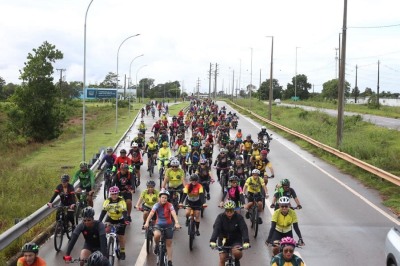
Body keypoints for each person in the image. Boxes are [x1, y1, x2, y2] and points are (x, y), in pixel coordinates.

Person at [143, 189, 181, 266]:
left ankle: (170, 261)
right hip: (158, 224)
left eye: (165, 198)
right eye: (162, 197)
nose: (164, 199)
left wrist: (177, 223)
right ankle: (157, 246)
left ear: (167, 199)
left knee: (169, 244)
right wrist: (147, 222)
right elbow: (151, 214)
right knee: (157, 235)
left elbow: (174, 214)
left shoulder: (170, 205)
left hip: (168, 225)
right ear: (159, 198)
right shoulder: (156, 205)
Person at [209, 200, 250, 266]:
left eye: (231, 210)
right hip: (223, 240)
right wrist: (212, 240)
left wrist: (246, 241)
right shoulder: (220, 217)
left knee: (237, 253)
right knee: (222, 258)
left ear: (234, 210)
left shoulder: (239, 217)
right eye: (227, 210)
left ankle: (236, 261)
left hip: (236, 240)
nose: (229, 212)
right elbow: (216, 228)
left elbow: (244, 229)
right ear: (225, 210)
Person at [98, 186, 129, 260]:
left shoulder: (121, 201)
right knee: (106, 230)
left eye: (115, 194)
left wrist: (126, 220)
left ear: (118, 193)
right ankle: (106, 246)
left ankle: (122, 251)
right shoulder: (107, 201)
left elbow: (124, 211)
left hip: (120, 219)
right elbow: (103, 212)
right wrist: (99, 221)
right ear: (110, 194)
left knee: (121, 236)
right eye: (112, 194)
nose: (114, 195)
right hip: (110, 218)